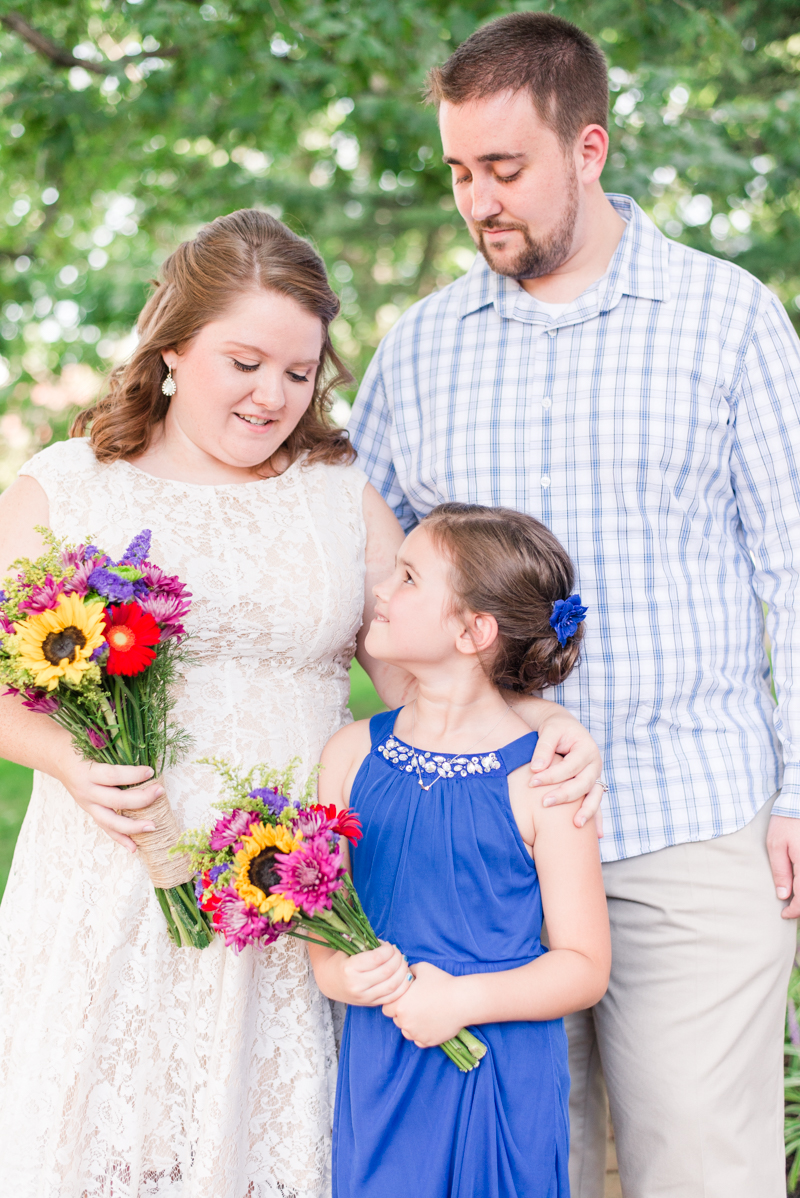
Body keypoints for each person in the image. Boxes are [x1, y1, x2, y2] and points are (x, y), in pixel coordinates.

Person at [0, 210, 598, 1195]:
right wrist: (65, 758)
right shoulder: (66, 489)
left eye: (297, 372)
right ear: (173, 345)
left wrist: (543, 727)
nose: (271, 395)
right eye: (244, 362)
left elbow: (428, 678)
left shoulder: (336, 490)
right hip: (111, 882)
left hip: (293, 899)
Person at [348, 13, 800, 1198]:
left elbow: (796, 568)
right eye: (456, 172)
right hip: (477, 854)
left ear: (587, 148)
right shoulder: (420, 353)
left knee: (700, 1173)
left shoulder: (728, 320)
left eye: (504, 169)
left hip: (687, 819)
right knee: (507, 1170)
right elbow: (369, 586)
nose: (476, 201)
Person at [311, 504, 611, 1198]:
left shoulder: (544, 778)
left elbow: (585, 967)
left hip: (500, 1068)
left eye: (409, 578)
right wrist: (339, 976)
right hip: (383, 1061)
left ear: (474, 631)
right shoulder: (349, 755)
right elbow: (324, 920)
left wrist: (460, 1001)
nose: (382, 589)